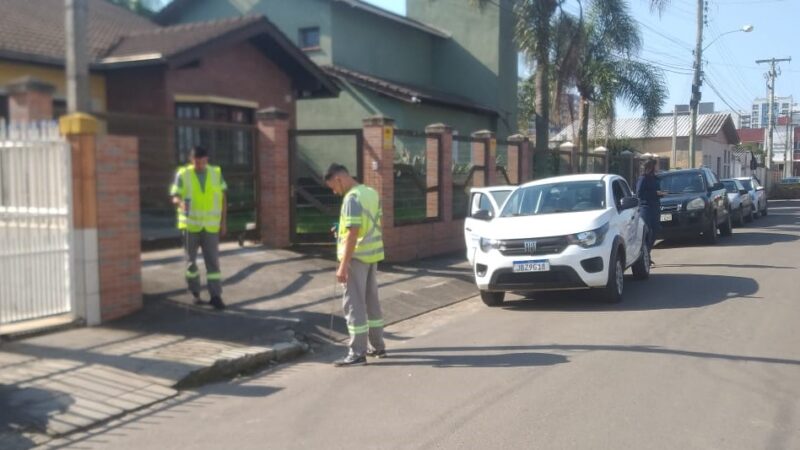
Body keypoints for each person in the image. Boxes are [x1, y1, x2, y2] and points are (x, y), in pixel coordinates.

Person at [325, 163, 386, 367]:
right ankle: (377, 346)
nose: (334, 192)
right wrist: (340, 230)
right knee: (371, 301)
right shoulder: (370, 192)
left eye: (333, 187)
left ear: (339, 179)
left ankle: (357, 352)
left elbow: (353, 233)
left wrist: (343, 265)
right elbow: (368, 225)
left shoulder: (351, 198)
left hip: (356, 258)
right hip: (372, 255)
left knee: (354, 305)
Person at [170, 146, 228, 310]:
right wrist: (180, 203)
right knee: (191, 263)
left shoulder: (216, 173)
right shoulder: (183, 174)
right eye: (197, 162)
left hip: (210, 226)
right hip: (190, 225)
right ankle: (195, 293)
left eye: (203, 161)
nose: (200, 165)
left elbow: (223, 198)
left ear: (207, 159)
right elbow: (175, 195)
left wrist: (223, 222)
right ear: (191, 160)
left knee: (213, 263)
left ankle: (216, 296)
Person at [635, 158, 665, 262]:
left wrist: (660, 193)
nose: (658, 167)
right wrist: (655, 194)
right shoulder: (643, 178)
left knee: (656, 230)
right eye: (656, 165)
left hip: (655, 207)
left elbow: (656, 190)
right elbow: (639, 194)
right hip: (646, 208)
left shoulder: (655, 178)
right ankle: (644, 255)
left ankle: (647, 252)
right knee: (647, 231)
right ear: (652, 166)